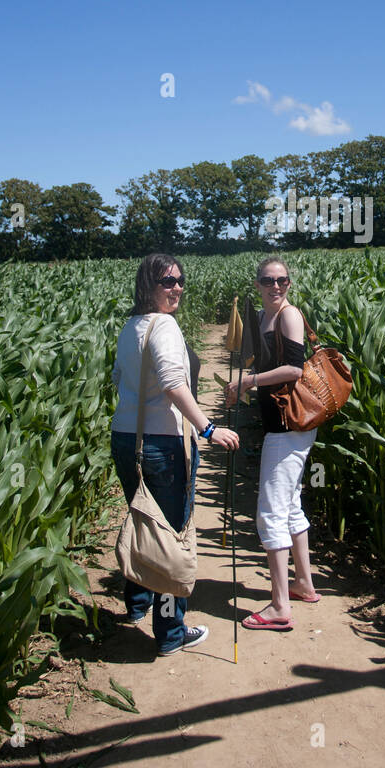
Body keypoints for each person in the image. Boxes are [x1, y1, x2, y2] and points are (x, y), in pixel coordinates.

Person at [111, 253, 238, 655]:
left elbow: (118, 378)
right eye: (167, 282)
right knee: (172, 534)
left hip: (125, 439)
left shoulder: (130, 326)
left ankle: (136, 605)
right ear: (147, 286)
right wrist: (208, 428)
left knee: (142, 516)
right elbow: (171, 383)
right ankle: (170, 633)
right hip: (163, 444)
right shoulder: (163, 325)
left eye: (180, 280)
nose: (177, 287)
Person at [225, 256, 320, 630]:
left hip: (288, 426)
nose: (275, 286)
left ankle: (279, 607)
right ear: (258, 283)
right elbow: (269, 367)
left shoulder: (288, 315)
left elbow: (295, 370)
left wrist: (249, 382)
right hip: (278, 423)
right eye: (268, 280)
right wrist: (248, 380)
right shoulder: (265, 318)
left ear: (289, 284)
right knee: (291, 505)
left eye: (282, 280)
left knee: (270, 512)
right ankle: (304, 584)